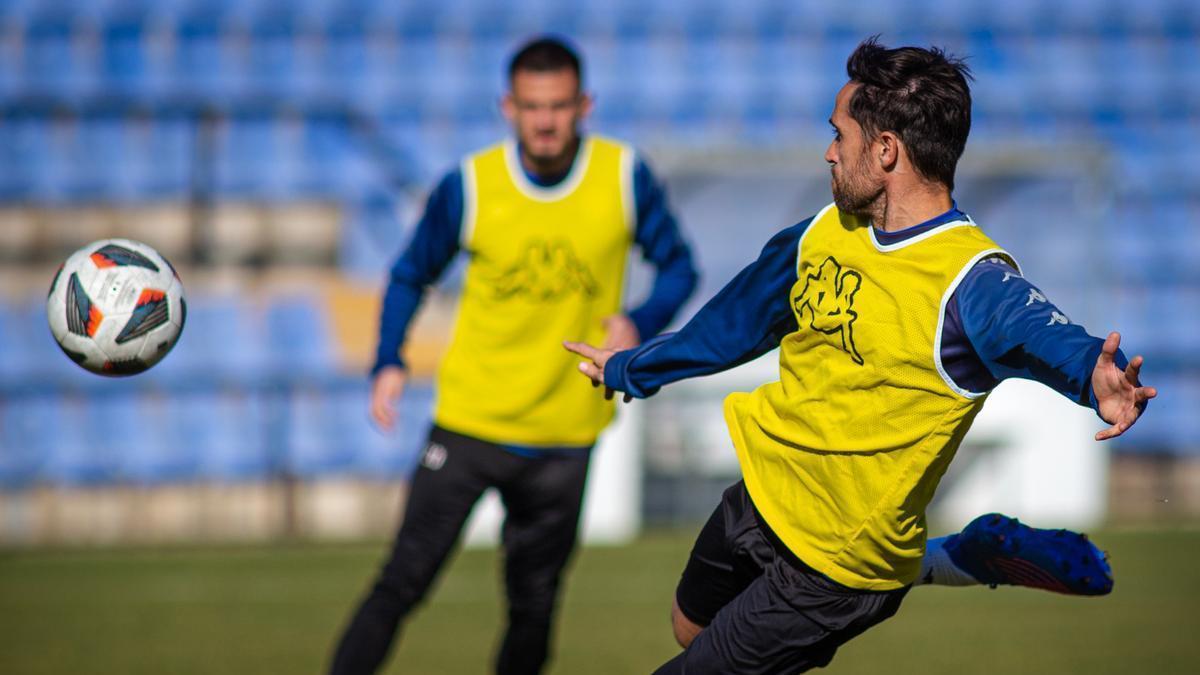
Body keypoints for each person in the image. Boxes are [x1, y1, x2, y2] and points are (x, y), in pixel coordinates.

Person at [566, 37, 1155, 674]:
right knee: (688, 629)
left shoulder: (970, 280)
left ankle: (920, 566)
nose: (828, 150)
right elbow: (734, 322)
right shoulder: (825, 231)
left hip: (838, 567)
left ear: (885, 150)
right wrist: (633, 367)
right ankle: (955, 557)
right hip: (763, 494)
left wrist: (1094, 371)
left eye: (838, 133)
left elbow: (1043, 333)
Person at [327, 37, 699, 675]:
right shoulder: (471, 186)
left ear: (584, 104)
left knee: (534, 607)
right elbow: (410, 273)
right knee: (401, 583)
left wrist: (639, 320)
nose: (546, 121)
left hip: (565, 435)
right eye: (532, 106)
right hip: (471, 425)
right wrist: (389, 359)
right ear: (508, 106)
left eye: (558, 106)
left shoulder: (622, 176)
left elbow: (678, 268)